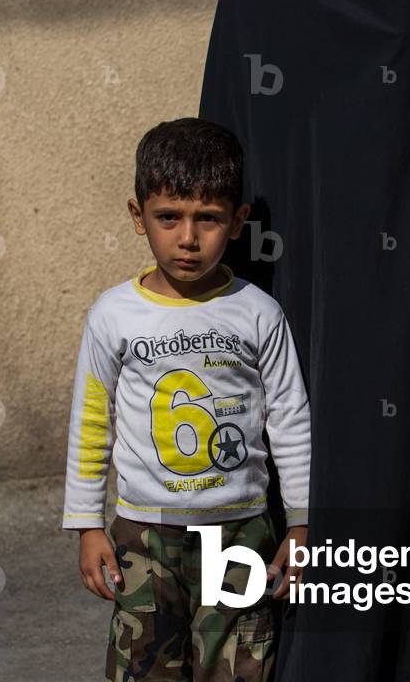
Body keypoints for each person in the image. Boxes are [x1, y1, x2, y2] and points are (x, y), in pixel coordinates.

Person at [61, 116, 312, 682]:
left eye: (209, 219)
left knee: (239, 671)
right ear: (137, 216)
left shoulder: (259, 313)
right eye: (169, 217)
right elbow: (91, 421)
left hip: (241, 533)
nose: (188, 238)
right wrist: (86, 524)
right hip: (142, 536)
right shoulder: (113, 315)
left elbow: (291, 421)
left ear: (238, 221)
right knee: (145, 669)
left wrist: (300, 526)